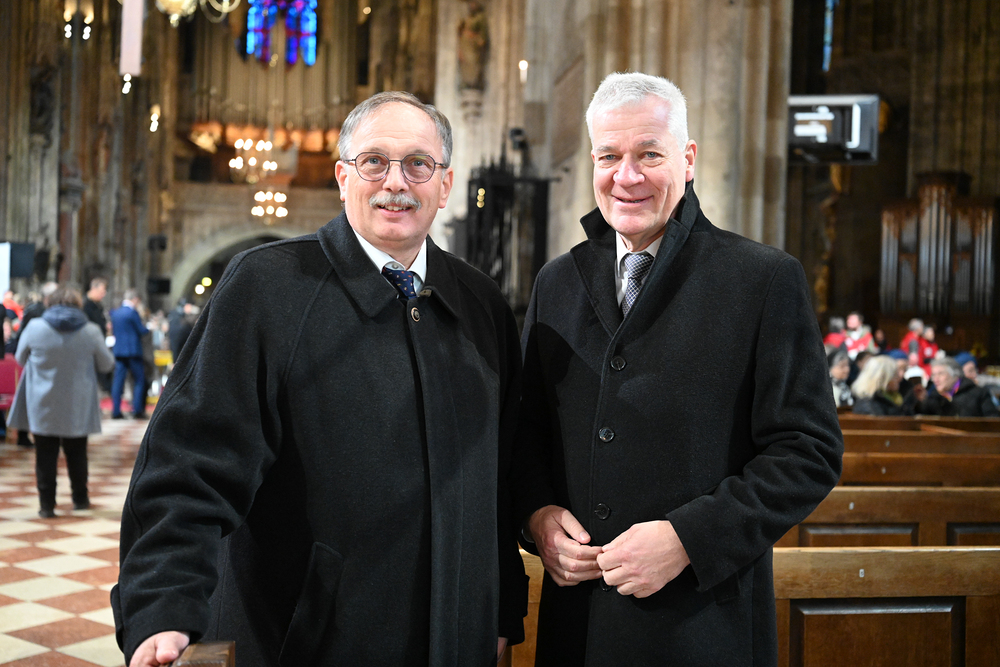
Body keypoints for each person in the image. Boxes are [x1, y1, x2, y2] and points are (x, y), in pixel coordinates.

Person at [112, 91, 526, 667]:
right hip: (308, 644)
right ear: (342, 176)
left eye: (418, 164)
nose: (396, 182)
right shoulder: (266, 287)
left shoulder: (481, 303)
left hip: (455, 639)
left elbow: (499, 477)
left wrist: (499, 607)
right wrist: (162, 602)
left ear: (445, 183)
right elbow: (191, 460)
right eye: (374, 161)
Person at [513, 72, 843, 666]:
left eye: (649, 154)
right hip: (578, 629)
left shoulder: (761, 280)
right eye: (609, 156)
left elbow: (808, 450)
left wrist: (690, 539)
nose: (626, 176)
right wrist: (536, 516)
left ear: (687, 160)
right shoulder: (557, 282)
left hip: (700, 627)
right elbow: (526, 433)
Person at [5, 285, 114, 517]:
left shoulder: (35, 327)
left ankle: (46, 506)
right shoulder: (91, 330)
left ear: (50, 303)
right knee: (77, 453)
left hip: (43, 401)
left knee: (45, 455)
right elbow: (107, 364)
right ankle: (80, 500)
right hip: (78, 402)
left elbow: (20, 358)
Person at [109, 289, 149, 419]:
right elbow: (141, 330)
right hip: (133, 351)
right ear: (135, 299)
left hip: (119, 351)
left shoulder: (115, 313)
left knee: (118, 381)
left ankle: (116, 411)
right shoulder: (132, 312)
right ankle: (137, 410)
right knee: (139, 380)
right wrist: (149, 327)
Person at [921, 357, 1000, 417]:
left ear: (955, 375)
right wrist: (921, 402)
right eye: (933, 375)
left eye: (940, 374)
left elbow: (992, 420)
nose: (935, 379)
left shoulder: (978, 393)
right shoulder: (933, 397)